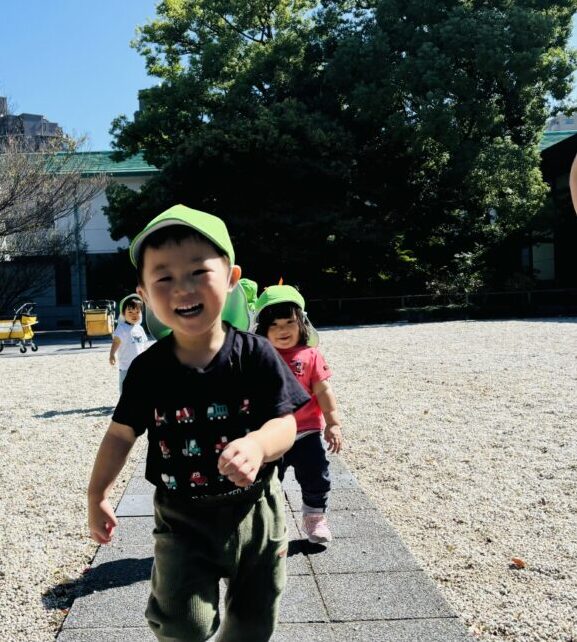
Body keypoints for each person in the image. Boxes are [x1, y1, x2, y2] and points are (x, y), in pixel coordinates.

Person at [87, 204, 310, 642]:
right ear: (144, 293)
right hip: (182, 514)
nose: (182, 288)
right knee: (181, 624)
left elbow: (285, 423)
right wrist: (97, 493)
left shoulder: (255, 354)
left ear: (230, 278)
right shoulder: (149, 369)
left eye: (198, 272)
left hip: (255, 510)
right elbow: (120, 434)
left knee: (253, 623)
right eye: (164, 278)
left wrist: (259, 444)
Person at [255, 285, 343, 544]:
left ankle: (315, 517)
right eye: (274, 325)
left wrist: (333, 423)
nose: (282, 330)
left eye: (289, 323)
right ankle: (270, 520)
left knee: (317, 476)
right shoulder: (259, 356)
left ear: (302, 324)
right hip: (272, 434)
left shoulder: (310, 355)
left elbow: (324, 390)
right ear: (263, 329)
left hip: (307, 432)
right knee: (267, 481)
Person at [109, 294, 148, 391]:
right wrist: (112, 354)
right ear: (123, 313)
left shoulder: (139, 328)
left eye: (137, 312)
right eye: (130, 312)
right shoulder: (122, 328)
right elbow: (116, 341)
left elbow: (144, 346)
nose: (134, 315)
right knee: (126, 388)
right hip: (126, 367)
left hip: (140, 366)